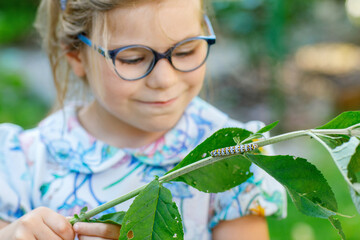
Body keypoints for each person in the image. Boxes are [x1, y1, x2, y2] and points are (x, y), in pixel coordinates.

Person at [0, 0, 287, 239]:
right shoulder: (20, 163)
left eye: (186, 50)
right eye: (133, 58)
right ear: (76, 55)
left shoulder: (233, 154)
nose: (164, 80)